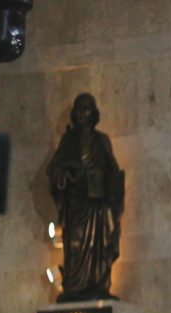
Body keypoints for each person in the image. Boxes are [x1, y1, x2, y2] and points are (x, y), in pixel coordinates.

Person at [47, 93, 125, 302]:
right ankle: (74, 286)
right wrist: (65, 174)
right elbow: (54, 169)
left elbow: (113, 172)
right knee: (75, 246)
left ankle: (97, 284)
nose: (83, 113)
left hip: (98, 206)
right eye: (79, 108)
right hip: (75, 204)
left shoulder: (102, 141)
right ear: (74, 113)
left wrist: (111, 192)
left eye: (87, 108)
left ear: (94, 113)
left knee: (99, 247)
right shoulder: (68, 141)